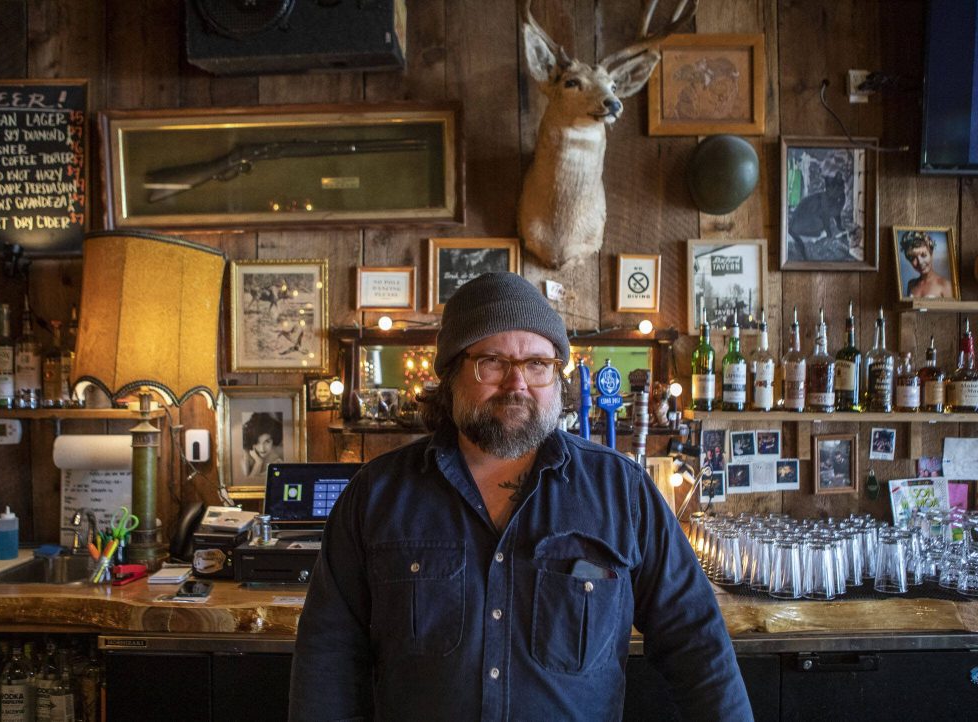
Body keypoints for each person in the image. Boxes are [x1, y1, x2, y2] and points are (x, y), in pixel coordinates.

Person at [290, 272, 751, 721]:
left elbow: (697, 642)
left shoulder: (622, 492)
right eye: (493, 361)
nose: (518, 384)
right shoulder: (377, 495)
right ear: (451, 373)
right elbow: (327, 658)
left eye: (537, 364)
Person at [899, 230, 954, 299]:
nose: (920, 262)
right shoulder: (911, 284)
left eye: (923, 255)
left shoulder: (946, 286)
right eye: (913, 258)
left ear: (931, 254)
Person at [241, 412, 283, 477]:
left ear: (273, 439)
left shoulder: (278, 461)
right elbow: (247, 484)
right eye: (257, 442)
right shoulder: (245, 457)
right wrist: (258, 462)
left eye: (267, 441)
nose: (262, 448)